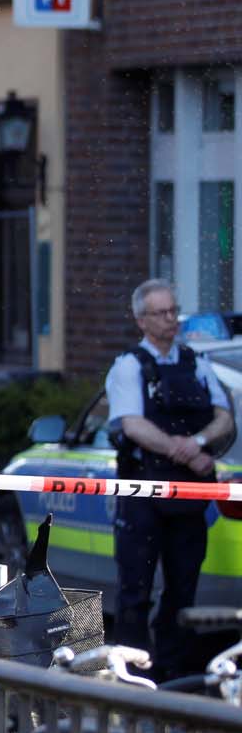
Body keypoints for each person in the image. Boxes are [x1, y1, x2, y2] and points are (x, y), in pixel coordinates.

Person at [105, 278, 234, 680]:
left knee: (182, 590)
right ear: (141, 320)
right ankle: (132, 675)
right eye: (161, 313)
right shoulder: (129, 366)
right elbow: (132, 425)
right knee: (134, 592)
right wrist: (182, 450)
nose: (170, 320)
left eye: (173, 311)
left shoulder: (196, 363)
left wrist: (197, 443)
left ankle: (173, 673)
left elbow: (224, 418)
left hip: (187, 495)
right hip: (143, 493)